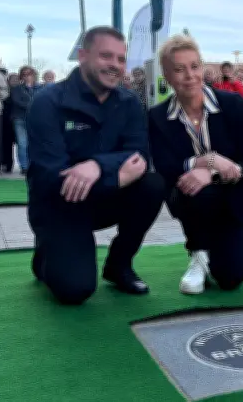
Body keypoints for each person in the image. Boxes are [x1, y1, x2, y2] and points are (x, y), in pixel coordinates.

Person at [27, 26, 165, 305]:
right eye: (106, 56)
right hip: (60, 204)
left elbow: (138, 156)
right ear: (83, 56)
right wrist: (115, 176)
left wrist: (97, 166)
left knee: (152, 185)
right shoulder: (47, 103)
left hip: (102, 196)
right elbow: (54, 177)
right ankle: (45, 253)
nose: (115, 65)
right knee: (74, 291)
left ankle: (118, 265)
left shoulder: (129, 102)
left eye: (120, 59)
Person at [148, 34, 243, 295]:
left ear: (202, 68)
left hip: (234, 198)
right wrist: (207, 160)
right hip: (191, 200)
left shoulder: (233, 105)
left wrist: (210, 173)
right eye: (179, 69)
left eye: (194, 66)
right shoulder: (157, 117)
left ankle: (216, 249)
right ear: (167, 75)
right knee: (192, 185)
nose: (189, 75)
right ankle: (199, 254)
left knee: (229, 279)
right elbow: (167, 168)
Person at [10, 66, 38, 175]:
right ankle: (24, 166)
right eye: (24, 75)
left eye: (29, 74)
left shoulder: (40, 88)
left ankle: (34, 165)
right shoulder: (16, 89)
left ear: (34, 75)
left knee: (35, 144)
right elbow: (17, 101)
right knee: (22, 144)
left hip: (36, 120)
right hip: (20, 119)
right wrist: (34, 105)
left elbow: (44, 100)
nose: (27, 77)